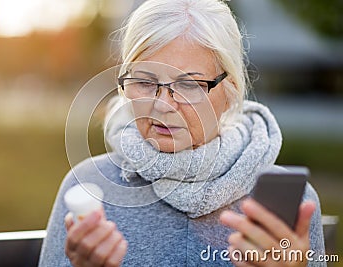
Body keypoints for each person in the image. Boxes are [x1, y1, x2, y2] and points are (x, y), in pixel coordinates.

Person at [39, 0, 326, 266]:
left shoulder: (289, 207)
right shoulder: (86, 187)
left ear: (231, 91)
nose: (163, 106)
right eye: (144, 80)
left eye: (189, 85)